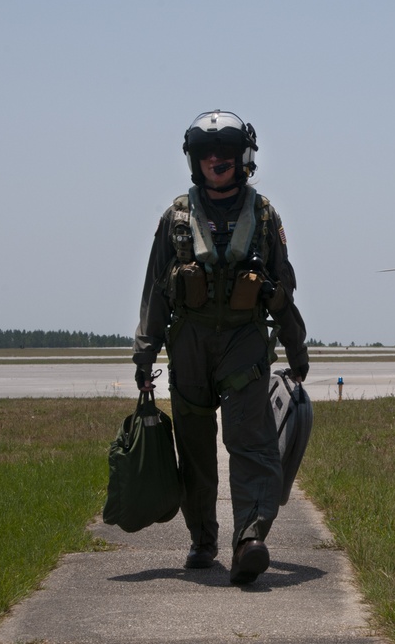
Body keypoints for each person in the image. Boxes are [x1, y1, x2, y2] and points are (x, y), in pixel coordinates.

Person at [132, 109, 309, 585]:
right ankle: (202, 541)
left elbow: (284, 291)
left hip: (243, 343)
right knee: (193, 451)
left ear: (242, 157)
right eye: (207, 152)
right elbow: (154, 290)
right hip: (187, 344)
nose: (216, 159)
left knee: (250, 443)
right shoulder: (176, 218)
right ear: (194, 159)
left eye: (226, 151)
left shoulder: (265, 217)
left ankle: (249, 538)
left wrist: (297, 349)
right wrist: (144, 354)